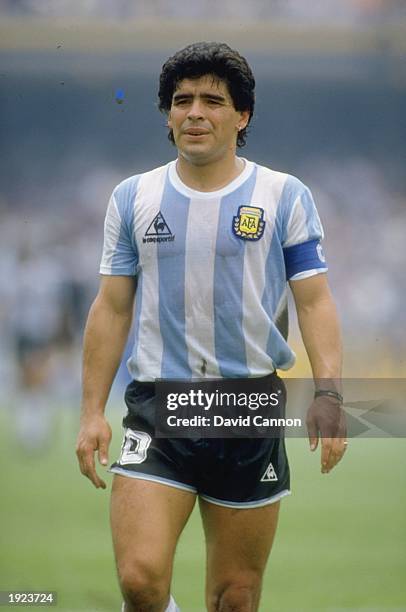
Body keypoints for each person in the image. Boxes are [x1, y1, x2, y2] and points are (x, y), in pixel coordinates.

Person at [76, 42, 347, 612]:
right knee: (139, 581)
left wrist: (328, 392)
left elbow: (315, 302)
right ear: (167, 113)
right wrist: (91, 410)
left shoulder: (283, 196)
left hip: (246, 409)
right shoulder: (133, 198)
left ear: (241, 115)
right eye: (181, 100)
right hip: (158, 404)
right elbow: (112, 308)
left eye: (212, 100)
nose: (194, 112)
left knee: (236, 598)